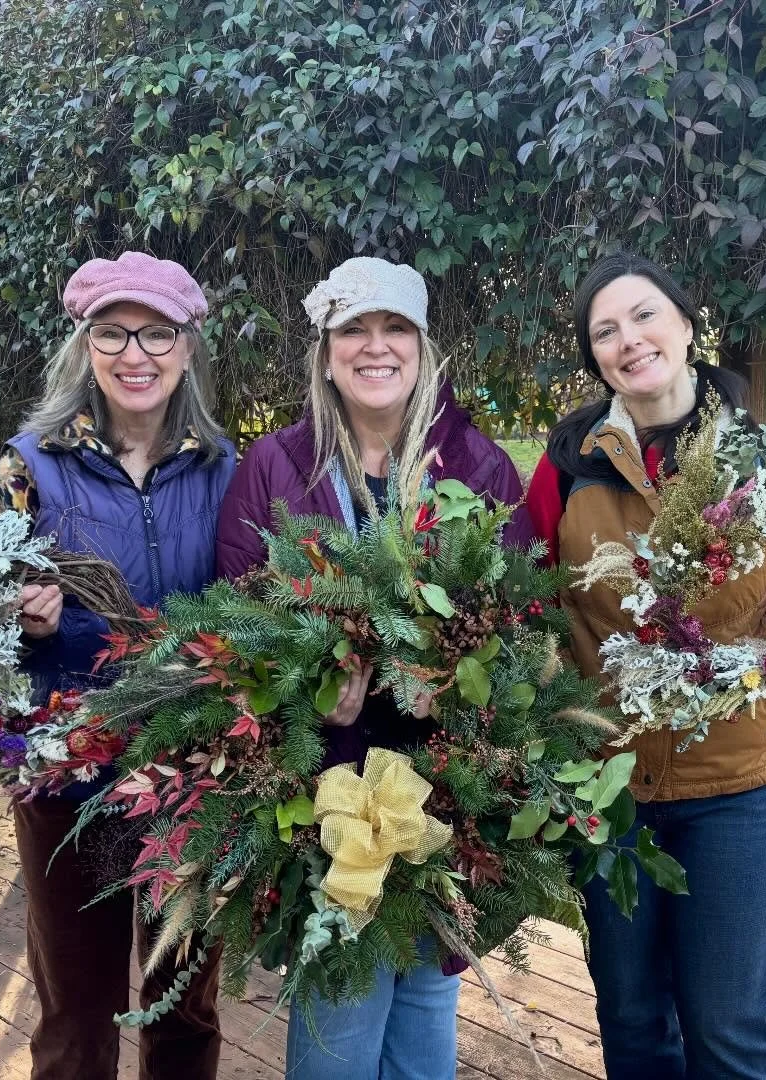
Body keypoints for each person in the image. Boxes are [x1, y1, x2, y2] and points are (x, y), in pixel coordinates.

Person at [525, 252, 766, 1080]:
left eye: (645, 315)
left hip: (736, 794)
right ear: (595, 360)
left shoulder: (765, 459)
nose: (630, 340)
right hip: (609, 792)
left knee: (725, 1034)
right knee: (629, 1019)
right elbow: (524, 606)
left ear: (687, 325)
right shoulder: (566, 468)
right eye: (605, 332)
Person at [214, 256, 531, 1080]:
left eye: (395, 328)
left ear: (424, 349)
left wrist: (457, 690)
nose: (375, 347)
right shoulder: (278, 466)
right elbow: (238, 629)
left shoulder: (479, 468)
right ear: (325, 352)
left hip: (441, 791)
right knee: (342, 1018)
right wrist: (313, 703)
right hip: (327, 795)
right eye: (354, 329)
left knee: (425, 1017)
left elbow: (523, 628)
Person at [0, 251, 237, 1080]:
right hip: (68, 779)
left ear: (188, 346)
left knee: (186, 1009)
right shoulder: (29, 467)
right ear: (85, 346)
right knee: (76, 1018)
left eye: (157, 332)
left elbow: (260, 611)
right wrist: (16, 622)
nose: (137, 354)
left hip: (192, 776)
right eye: (113, 333)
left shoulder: (226, 470)